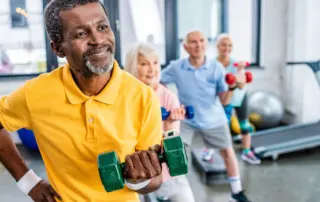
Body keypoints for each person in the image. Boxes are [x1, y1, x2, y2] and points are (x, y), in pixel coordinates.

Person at [0, 1, 165, 201]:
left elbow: (154, 180)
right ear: (58, 49)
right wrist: (28, 181)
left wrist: (138, 178)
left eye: (102, 27)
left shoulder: (143, 97)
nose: (98, 40)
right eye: (81, 34)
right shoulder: (36, 93)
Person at [160, 30, 251, 202]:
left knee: (227, 152)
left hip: (213, 118)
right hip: (186, 119)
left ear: (206, 44)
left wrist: (232, 87)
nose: (198, 45)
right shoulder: (177, 67)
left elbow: (224, 100)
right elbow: (157, 81)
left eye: (201, 40)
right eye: (193, 42)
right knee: (174, 153)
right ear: (186, 47)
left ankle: (237, 191)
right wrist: (168, 102)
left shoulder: (215, 67)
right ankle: (168, 191)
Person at [124, 42, 195, 202]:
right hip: (135, 169)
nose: (152, 69)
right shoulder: (126, 97)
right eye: (144, 64)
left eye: (155, 63)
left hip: (164, 167)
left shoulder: (168, 97)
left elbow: (172, 147)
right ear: (133, 67)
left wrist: (169, 125)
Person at [215, 33, 261, 165]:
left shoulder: (236, 63)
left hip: (239, 97)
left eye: (230, 45)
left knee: (244, 125)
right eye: (224, 44)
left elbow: (241, 86)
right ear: (217, 46)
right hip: (223, 98)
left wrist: (240, 74)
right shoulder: (212, 64)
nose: (227, 48)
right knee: (218, 127)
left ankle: (247, 152)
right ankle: (209, 150)